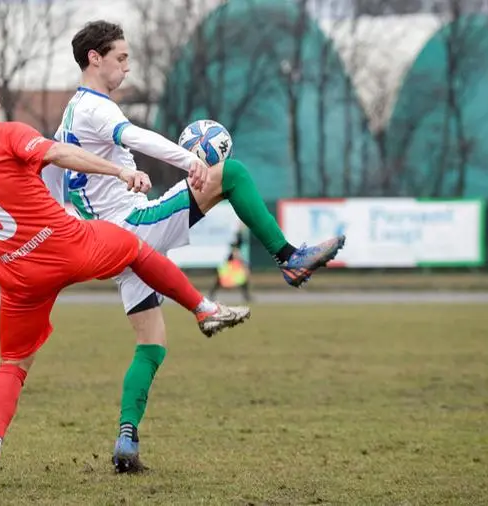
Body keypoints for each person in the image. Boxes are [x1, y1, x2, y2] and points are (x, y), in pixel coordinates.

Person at [0, 61, 251, 488]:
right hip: (62, 246)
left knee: (12, 364)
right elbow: (58, 153)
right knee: (134, 245)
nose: (0, 104)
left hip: (16, 275)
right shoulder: (7, 133)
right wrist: (120, 170)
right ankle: (203, 308)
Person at [46, 20, 346, 473]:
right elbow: (135, 138)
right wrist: (191, 160)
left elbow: (53, 173)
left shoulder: (69, 116)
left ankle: (126, 441)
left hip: (109, 248)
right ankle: (289, 258)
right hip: (132, 228)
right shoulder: (94, 107)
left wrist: (69, 221)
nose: (127, 67)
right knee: (233, 173)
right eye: (121, 58)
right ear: (95, 58)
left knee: (151, 344)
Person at [209, 226, 252, 303]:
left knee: (242, 280)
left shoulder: (236, 248)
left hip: (233, 267)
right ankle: (211, 294)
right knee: (221, 280)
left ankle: (246, 296)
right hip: (230, 267)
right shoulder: (233, 248)